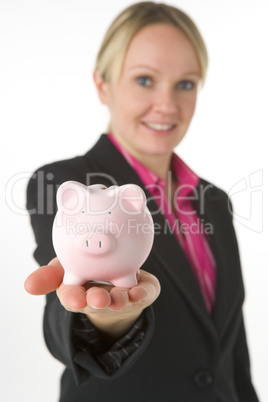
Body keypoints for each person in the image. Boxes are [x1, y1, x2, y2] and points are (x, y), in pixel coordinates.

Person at [24, 2, 260, 401]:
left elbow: (231, 348)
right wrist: (108, 318)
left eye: (185, 84)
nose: (168, 105)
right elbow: (62, 313)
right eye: (145, 80)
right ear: (103, 85)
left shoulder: (213, 201)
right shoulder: (63, 183)